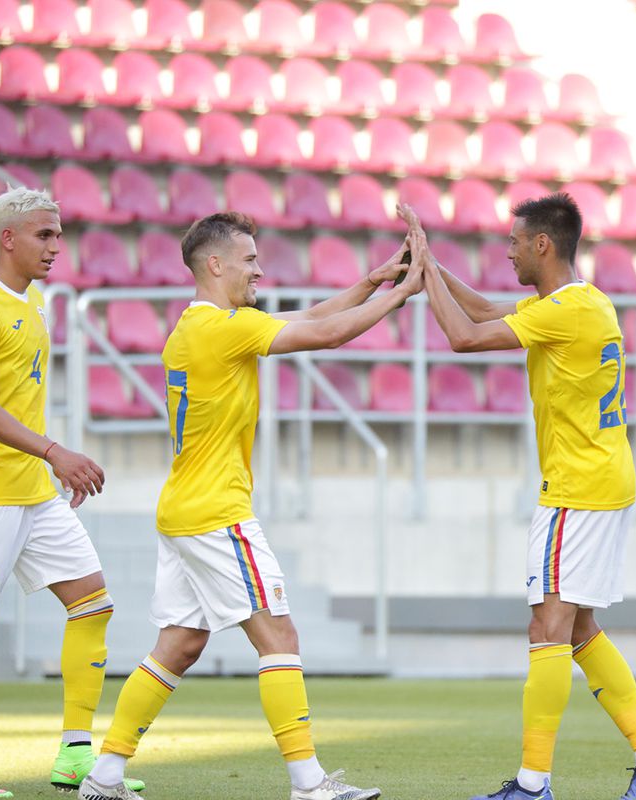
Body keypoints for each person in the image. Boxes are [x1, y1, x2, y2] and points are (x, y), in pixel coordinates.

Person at [79, 212, 422, 800]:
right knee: (279, 639)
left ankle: (105, 775)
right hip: (217, 514)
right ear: (215, 265)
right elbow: (326, 335)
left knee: (179, 645)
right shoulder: (224, 329)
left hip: (184, 511)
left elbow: (304, 318)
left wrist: (372, 282)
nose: (259, 268)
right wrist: (403, 296)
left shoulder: (201, 327)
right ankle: (309, 785)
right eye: (249, 259)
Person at [401, 196, 636, 800]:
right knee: (579, 627)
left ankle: (533, 785)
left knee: (547, 627)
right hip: (601, 480)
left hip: (577, 490)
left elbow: (462, 334)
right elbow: (479, 306)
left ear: (542, 246)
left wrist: (424, 268)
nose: (506, 251)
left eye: (514, 241)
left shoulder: (563, 313)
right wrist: (428, 265)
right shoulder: (579, 303)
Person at [0, 188, 144, 798]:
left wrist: (48, 464)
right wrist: (56, 452)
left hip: (34, 494)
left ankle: (75, 755)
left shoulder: (38, 301)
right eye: (44, 235)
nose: (57, 245)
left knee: (94, 607)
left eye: (60, 233)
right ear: (8, 238)